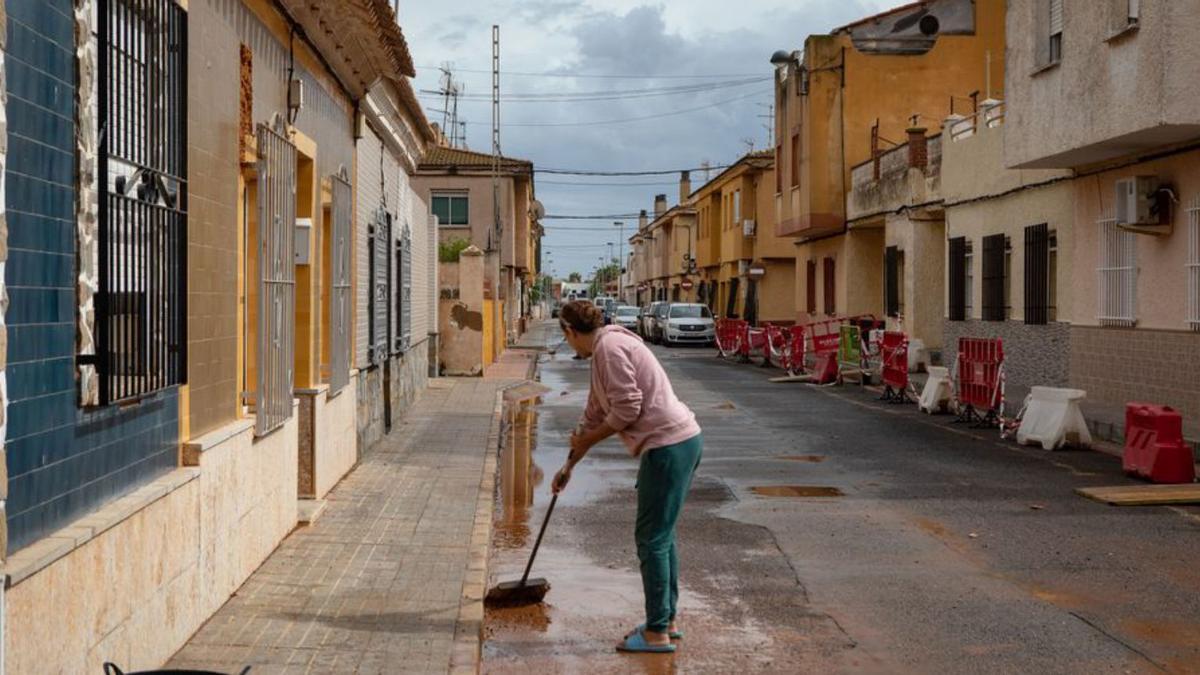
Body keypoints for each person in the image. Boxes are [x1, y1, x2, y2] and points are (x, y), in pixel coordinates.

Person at [551, 300, 703, 654]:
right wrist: (568, 466)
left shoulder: (610, 348)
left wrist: (589, 438)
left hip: (669, 446)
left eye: (566, 338)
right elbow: (593, 415)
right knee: (662, 537)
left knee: (651, 539)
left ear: (570, 332)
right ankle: (665, 620)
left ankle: (657, 633)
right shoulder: (604, 349)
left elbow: (628, 408)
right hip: (676, 443)